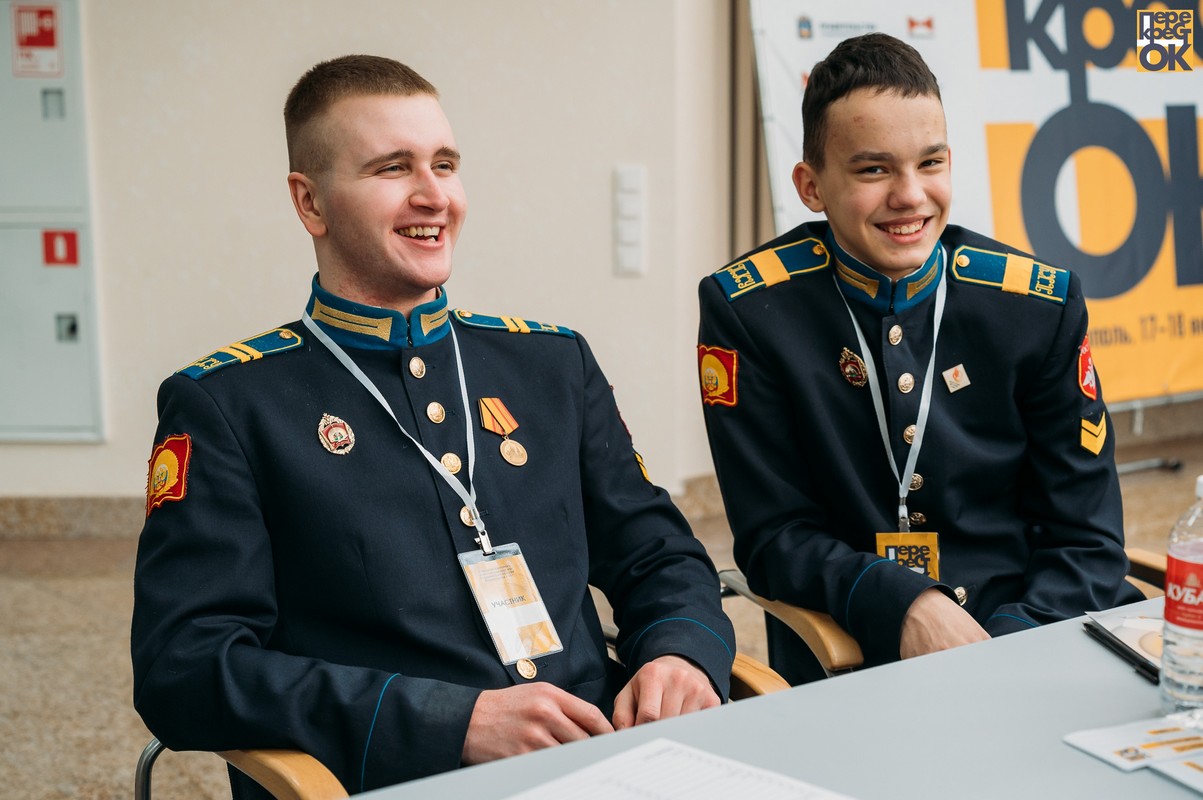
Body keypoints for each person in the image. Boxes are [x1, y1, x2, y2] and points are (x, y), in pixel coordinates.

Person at [132, 55, 735, 797]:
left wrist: (679, 653)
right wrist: (449, 722)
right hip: (392, 776)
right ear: (310, 203)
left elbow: (659, 556)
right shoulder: (229, 404)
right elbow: (184, 667)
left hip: (602, 755)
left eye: (444, 164)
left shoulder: (550, 364)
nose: (434, 195)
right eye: (393, 168)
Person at [697, 33, 1140, 685]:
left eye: (929, 163)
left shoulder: (1036, 306)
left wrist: (1008, 648)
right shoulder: (751, 310)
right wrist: (904, 604)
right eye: (873, 171)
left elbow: (1086, 537)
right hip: (856, 657)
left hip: (1035, 636)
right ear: (811, 186)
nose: (910, 196)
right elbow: (775, 537)